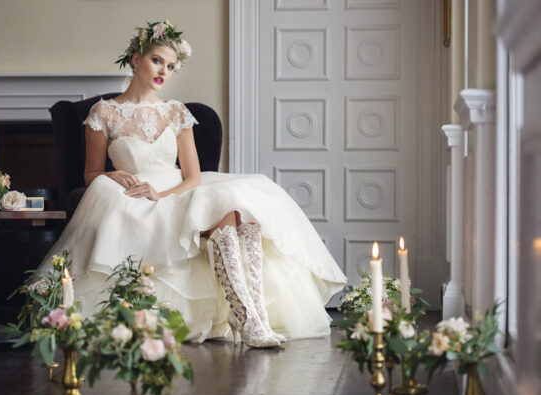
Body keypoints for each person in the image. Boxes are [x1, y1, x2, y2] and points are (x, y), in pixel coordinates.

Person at [36, 21, 347, 348]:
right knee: (226, 207)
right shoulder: (104, 112)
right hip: (136, 196)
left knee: (238, 205)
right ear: (134, 58)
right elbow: (91, 174)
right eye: (157, 61)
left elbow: (194, 177)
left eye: (171, 66)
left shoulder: (177, 112)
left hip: (180, 190)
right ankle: (248, 320)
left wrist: (165, 194)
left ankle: (252, 318)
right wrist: (115, 176)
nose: (163, 71)